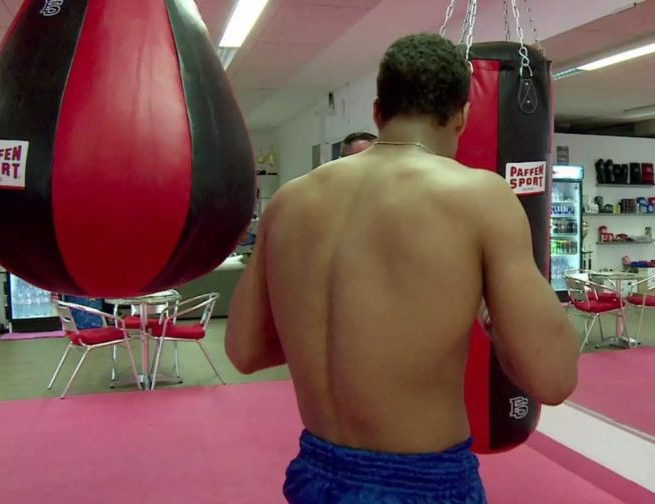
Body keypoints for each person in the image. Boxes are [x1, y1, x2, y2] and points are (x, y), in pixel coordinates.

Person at [225, 33, 579, 503]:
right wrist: (490, 321)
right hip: (422, 484)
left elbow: (245, 351)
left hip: (316, 474)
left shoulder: (289, 200)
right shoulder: (480, 197)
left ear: (377, 111)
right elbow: (552, 378)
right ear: (462, 115)